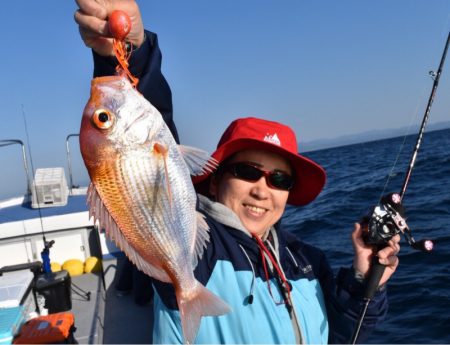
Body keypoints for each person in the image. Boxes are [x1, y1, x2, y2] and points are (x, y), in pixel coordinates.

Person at [74, 1, 400, 343]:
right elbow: (146, 164)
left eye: (279, 179)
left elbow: (341, 333)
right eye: (247, 171)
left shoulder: (307, 260)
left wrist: (364, 280)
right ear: (214, 180)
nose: (262, 189)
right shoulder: (201, 252)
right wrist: (127, 50)